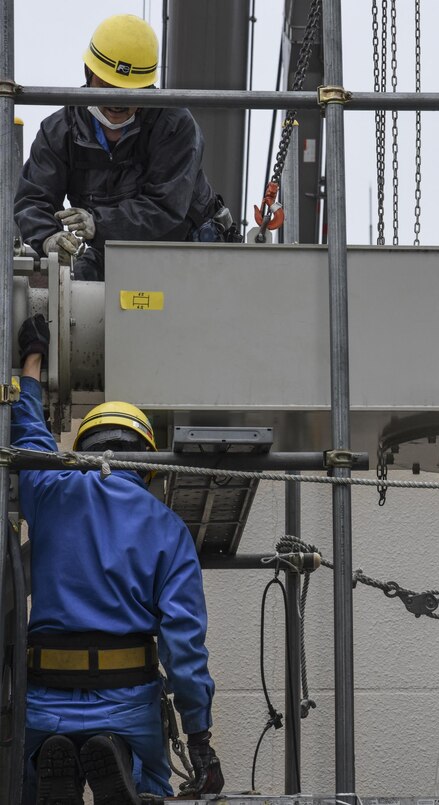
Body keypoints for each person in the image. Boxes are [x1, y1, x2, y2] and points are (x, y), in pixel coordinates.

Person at [14, 314, 224, 804]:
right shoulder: (167, 529)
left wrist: (32, 360)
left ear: (82, 449)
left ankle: (52, 755)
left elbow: (25, 433)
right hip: (129, 697)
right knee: (151, 783)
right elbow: (184, 645)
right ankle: (122, 761)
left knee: (25, 781)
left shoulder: (48, 489)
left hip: (45, 696)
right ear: (149, 467)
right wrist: (199, 740)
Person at [14, 14, 235, 282]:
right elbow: (33, 199)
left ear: (148, 87)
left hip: (184, 249)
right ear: (89, 74)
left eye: (128, 91)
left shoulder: (174, 125)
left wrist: (99, 224)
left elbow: (166, 207)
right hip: (107, 251)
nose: (116, 101)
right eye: (106, 86)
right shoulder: (59, 131)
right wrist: (49, 238)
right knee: (71, 305)